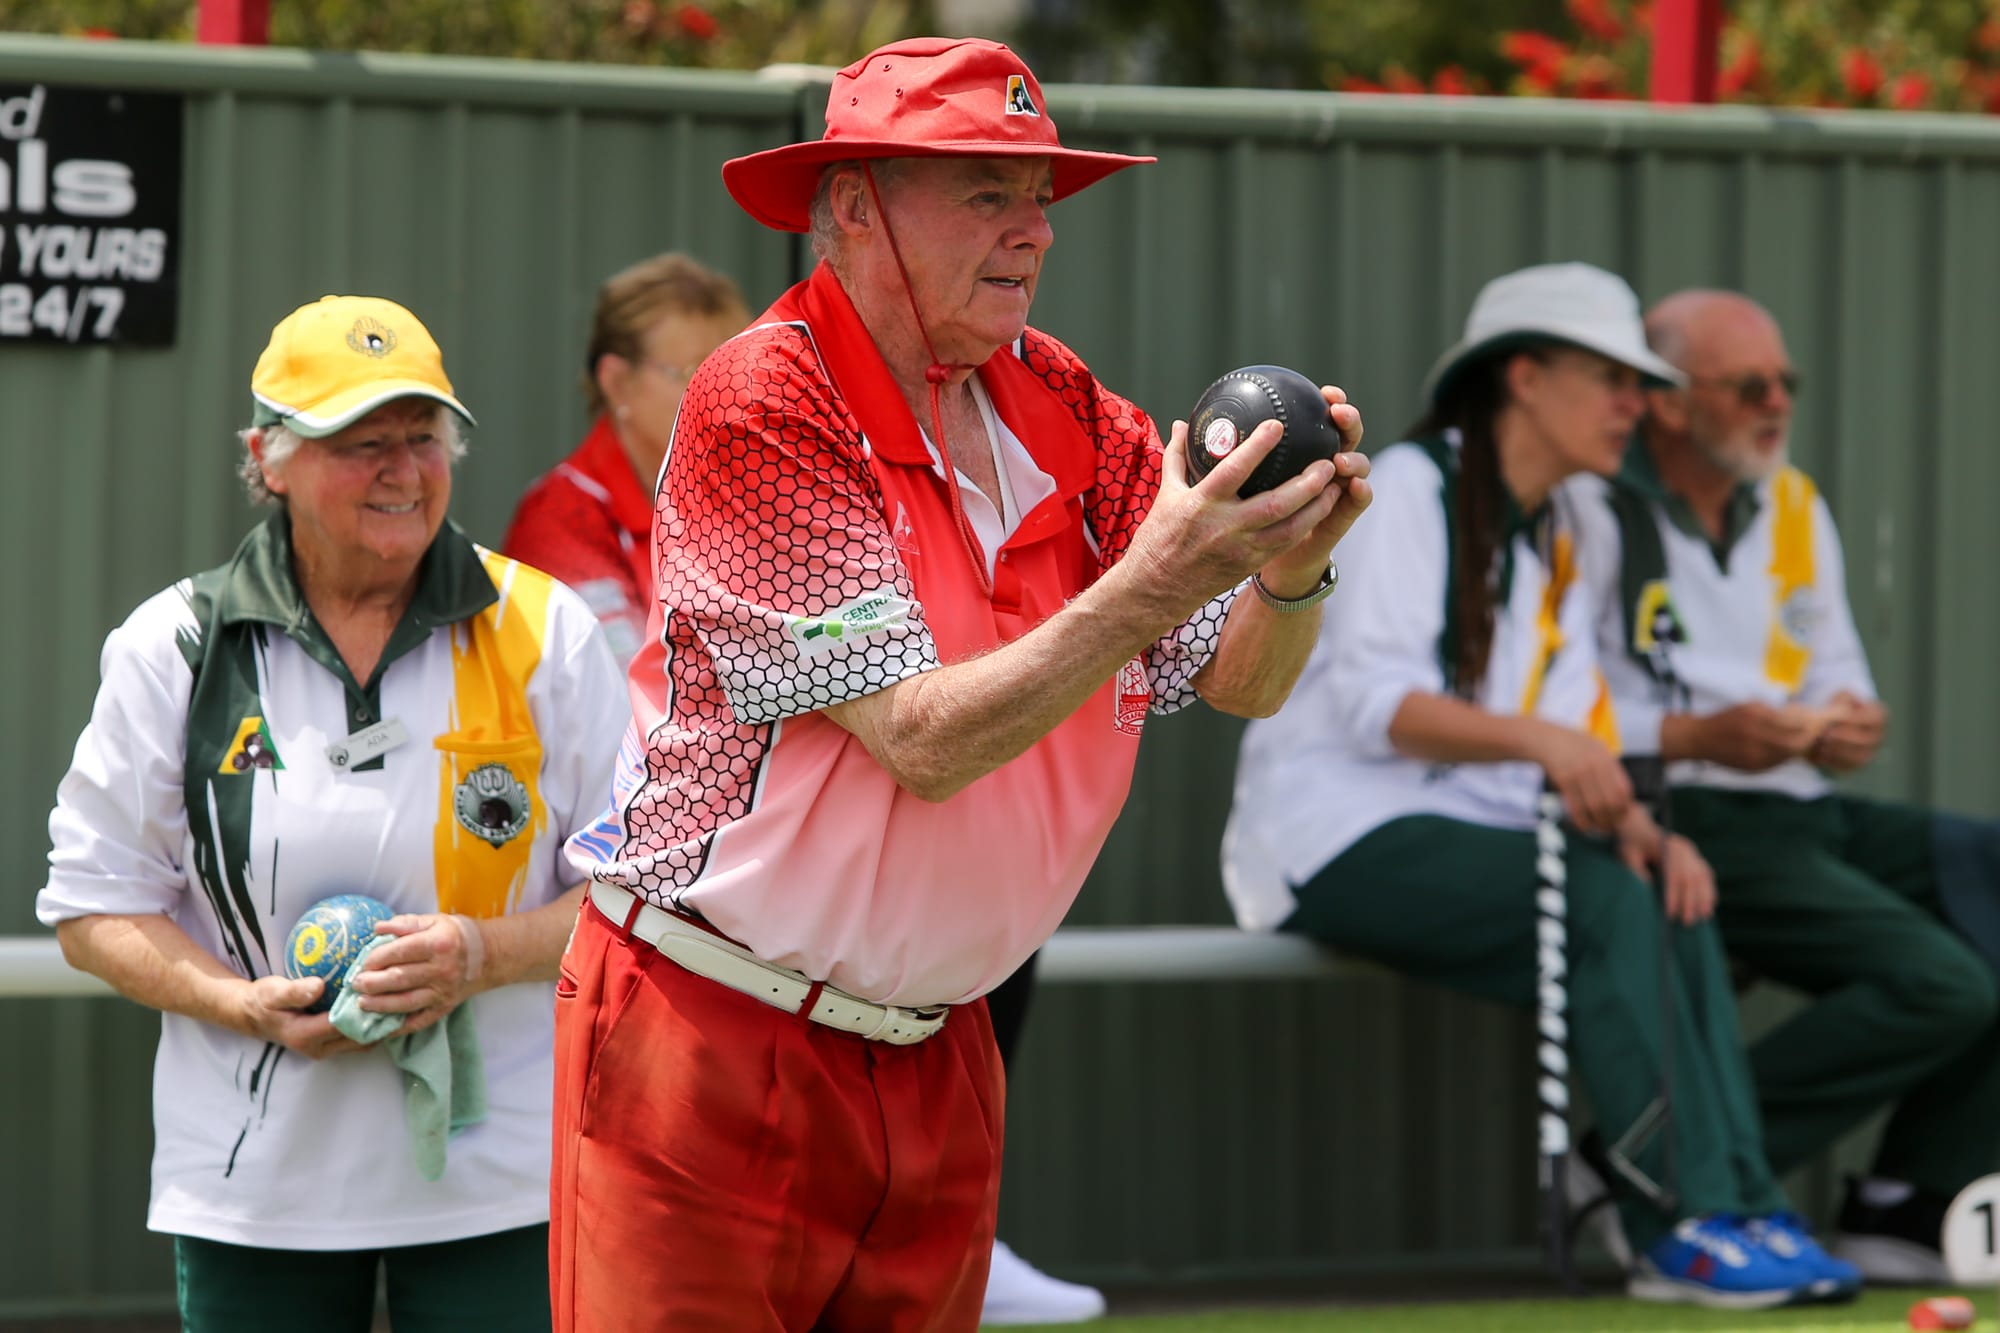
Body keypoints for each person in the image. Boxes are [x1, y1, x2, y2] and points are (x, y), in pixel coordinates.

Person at [549, 36, 1372, 1333]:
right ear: (855, 203)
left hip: (941, 1047)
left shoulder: (1063, 399)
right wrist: (1154, 583)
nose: (1032, 231)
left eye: (1039, 196)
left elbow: (1237, 679)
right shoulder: (764, 396)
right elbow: (920, 742)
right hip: (713, 1031)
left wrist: (1289, 566)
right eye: (987, 193)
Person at [1222, 262, 1859, 1309]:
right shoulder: (1409, 488)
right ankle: (1673, 1224)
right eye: (1610, 378)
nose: (1633, 405)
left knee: (1669, 888)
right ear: (1521, 377)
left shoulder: (1570, 523)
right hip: (1330, 839)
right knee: (1608, 901)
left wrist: (1642, 825)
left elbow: (1572, 722)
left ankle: (1742, 1204)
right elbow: (1375, 707)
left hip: (1479, 828)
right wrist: (1552, 750)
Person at [38, 295, 629, 1332]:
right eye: (363, 444)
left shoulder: (548, 631)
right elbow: (94, 907)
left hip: (505, 1182)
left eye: (424, 437)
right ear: (268, 460)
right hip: (256, 1187)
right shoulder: (174, 646)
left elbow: (635, 895)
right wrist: (239, 1003)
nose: (404, 471)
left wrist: (480, 953)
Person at [1571, 288, 2000, 1285]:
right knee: (1941, 983)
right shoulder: (1590, 504)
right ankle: (1644, 1162)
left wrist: (1850, 724)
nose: (1777, 403)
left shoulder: (1792, 501)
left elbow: (1836, 676)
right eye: (1749, 386)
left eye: (1786, 383)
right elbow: (1545, 704)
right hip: (1673, 808)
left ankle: (1905, 1203)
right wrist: (1699, 735)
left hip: (1800, 805)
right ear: (1668, 401)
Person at [504, 252, 750, 662]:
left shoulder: (743, 495)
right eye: (693, 372)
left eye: (733, 372)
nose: (725, 394)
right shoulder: (561, 518)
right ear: (617, 382)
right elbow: (620, 679)